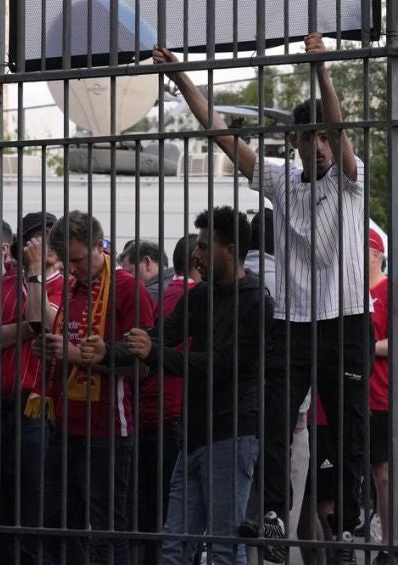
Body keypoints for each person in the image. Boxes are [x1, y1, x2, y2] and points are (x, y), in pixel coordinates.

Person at [155, 33, 368, 563]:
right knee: (273, 420)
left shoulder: (349, 177)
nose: (317, 146)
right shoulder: (280, 181)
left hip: (345, 320)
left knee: (347, 430)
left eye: (323, 137)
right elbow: (222, 135)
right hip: (293, 322)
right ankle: (273, 515)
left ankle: (346, 522)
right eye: (306, 137)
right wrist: (182, 79)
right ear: (292, 144)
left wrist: (320, 68)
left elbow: (341, 130)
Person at [83, 206, 269, 565]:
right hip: (194, 435)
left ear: (230, 249)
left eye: (203, 246)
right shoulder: (200, 296)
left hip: (232, 433)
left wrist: (153, 352)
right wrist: (109, 351)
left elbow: (220, 364)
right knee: (174, 545)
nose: (195, 254)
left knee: (224, 547)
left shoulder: (255, 301)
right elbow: (160, 337)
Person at [35, 211, 154, 564]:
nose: (72, 269)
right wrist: (52, 351)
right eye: (66, 261)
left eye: (78, 259)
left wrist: (75, 355)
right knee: (61, 526)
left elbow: (143, 366)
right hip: (64, 427)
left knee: (106, 529)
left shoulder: (127, 288)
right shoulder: (73, 288)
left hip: (108, 432)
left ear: (99, 246)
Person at [0, 212, 64, 565]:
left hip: (39, 407)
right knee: (1, 503)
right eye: (36, 238)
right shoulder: (4, 286)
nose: (45, 244)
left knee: (34, 503)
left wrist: (23, 324)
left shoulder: (67, 285)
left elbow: (47, 322)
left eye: (51, 237)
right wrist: (26, 326)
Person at [135, 233, 201, 565]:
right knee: (179, 513)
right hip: (180, 411)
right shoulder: (198, 299)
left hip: (146, 411)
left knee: (149, 511)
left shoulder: (152, 294)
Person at [367, 229, 390, 565]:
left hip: (381, 395)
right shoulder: (347, 290)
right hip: (348, 394)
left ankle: (387, 542)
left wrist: (365, 350)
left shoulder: (389, 290)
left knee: (382, 475)